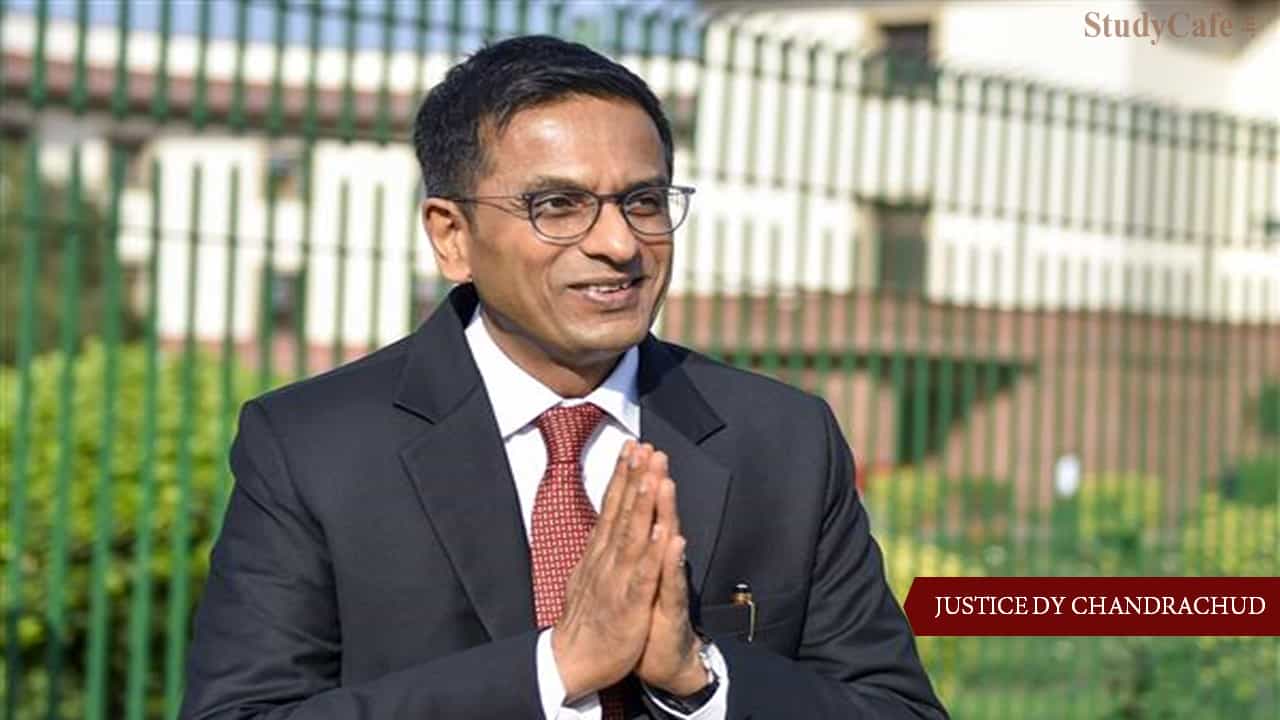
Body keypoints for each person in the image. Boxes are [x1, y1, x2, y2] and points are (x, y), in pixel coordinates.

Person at [181, 35, 946, 720]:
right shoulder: (316, 447)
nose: (620, 243)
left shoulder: (781, 440)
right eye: (558, 205)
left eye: (643, 201)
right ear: (452, 236)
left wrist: (702, 680)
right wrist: (556, 668)